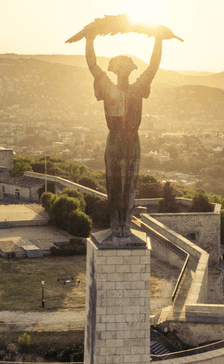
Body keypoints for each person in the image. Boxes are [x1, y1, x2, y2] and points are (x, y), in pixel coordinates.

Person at [83, 27, 169, 238]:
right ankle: (116, 221)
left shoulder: (138, 88)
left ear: (130, 69)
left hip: (131, 139)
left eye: (127, 66)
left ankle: (126, 221)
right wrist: (90, 39)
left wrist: (158, 40)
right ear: (115, 69)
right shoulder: (108, 86)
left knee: (130, 181)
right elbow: (92, 65)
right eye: (120, 66)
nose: (124, 69)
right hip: (115, 139)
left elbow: (154, 66)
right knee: (114, 183)